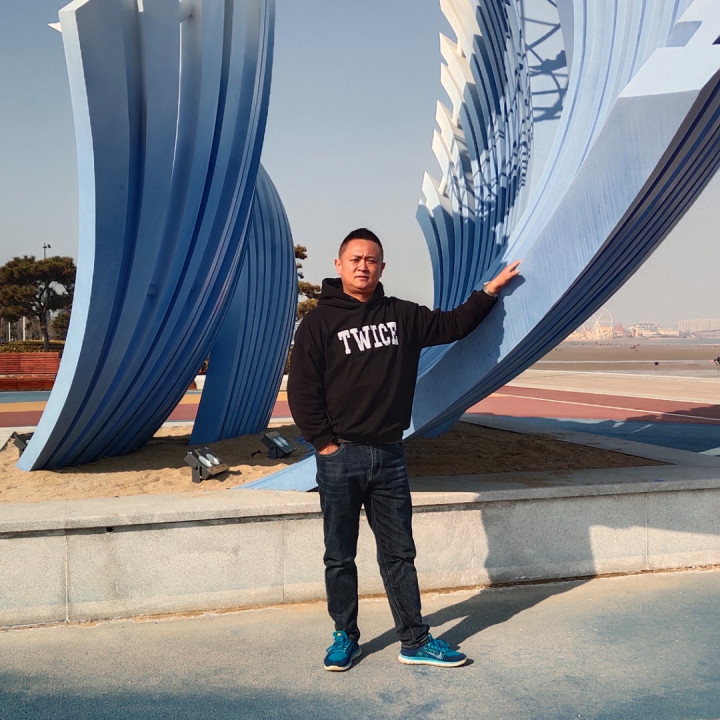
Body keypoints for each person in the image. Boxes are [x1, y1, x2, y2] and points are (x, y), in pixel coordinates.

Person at [287, 228, 520, 671]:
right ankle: (344, 636)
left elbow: (454, 324)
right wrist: (325, 444)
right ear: (338, 265)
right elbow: (302, 391)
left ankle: (414, 639)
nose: (363, 266)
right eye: (355, 259)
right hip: (340, 458)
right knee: (339, 555)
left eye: (371, 260)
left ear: (381, 267)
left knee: (399, 554)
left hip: (390, 456)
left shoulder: (401, 316)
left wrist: (489, 291)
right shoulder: (318, 323)